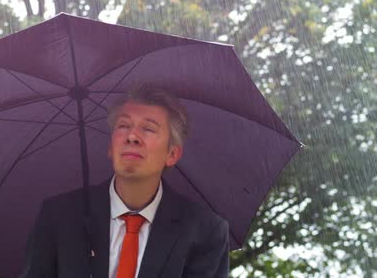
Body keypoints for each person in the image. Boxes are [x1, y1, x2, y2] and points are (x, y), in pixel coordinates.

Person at [20, 83, 229, 278]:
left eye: (148, 128)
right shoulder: (59, 216)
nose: (132, 136)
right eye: (123, 126)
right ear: (111, 147)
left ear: (172, 154)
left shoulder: (206, 231)